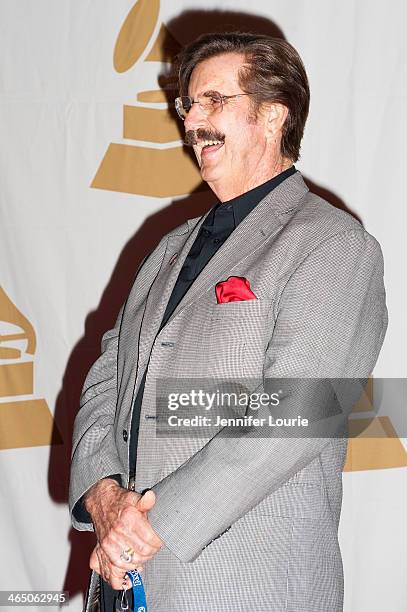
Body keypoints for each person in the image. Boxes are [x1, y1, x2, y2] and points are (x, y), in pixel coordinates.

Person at [69, 32, 388, 611]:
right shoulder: (166, 249)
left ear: (272, 116)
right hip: (125, 583)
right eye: (187, 105)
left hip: (247, 590)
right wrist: (104, 497)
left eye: (214, 101)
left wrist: (142, 530)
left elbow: (295, 414)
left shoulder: (333, 244)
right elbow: (104, 380)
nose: (193, 120)